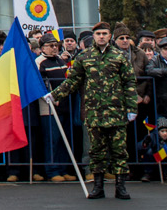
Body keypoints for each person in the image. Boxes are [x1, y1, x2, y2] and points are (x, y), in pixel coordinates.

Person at [46, 21, 138, 200]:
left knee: (119, 150)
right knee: (96, 151)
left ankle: (121, 187)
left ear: (110, 36)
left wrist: (131, 107)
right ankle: (98, 186)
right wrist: (55, 95)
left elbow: (129, 82)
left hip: (116, 112)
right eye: (98, 34)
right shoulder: (84, 57)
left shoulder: (119, 56)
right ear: (94, 37)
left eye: (104, 33)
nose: (102, 36)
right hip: (94, 112)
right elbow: (73, 81)